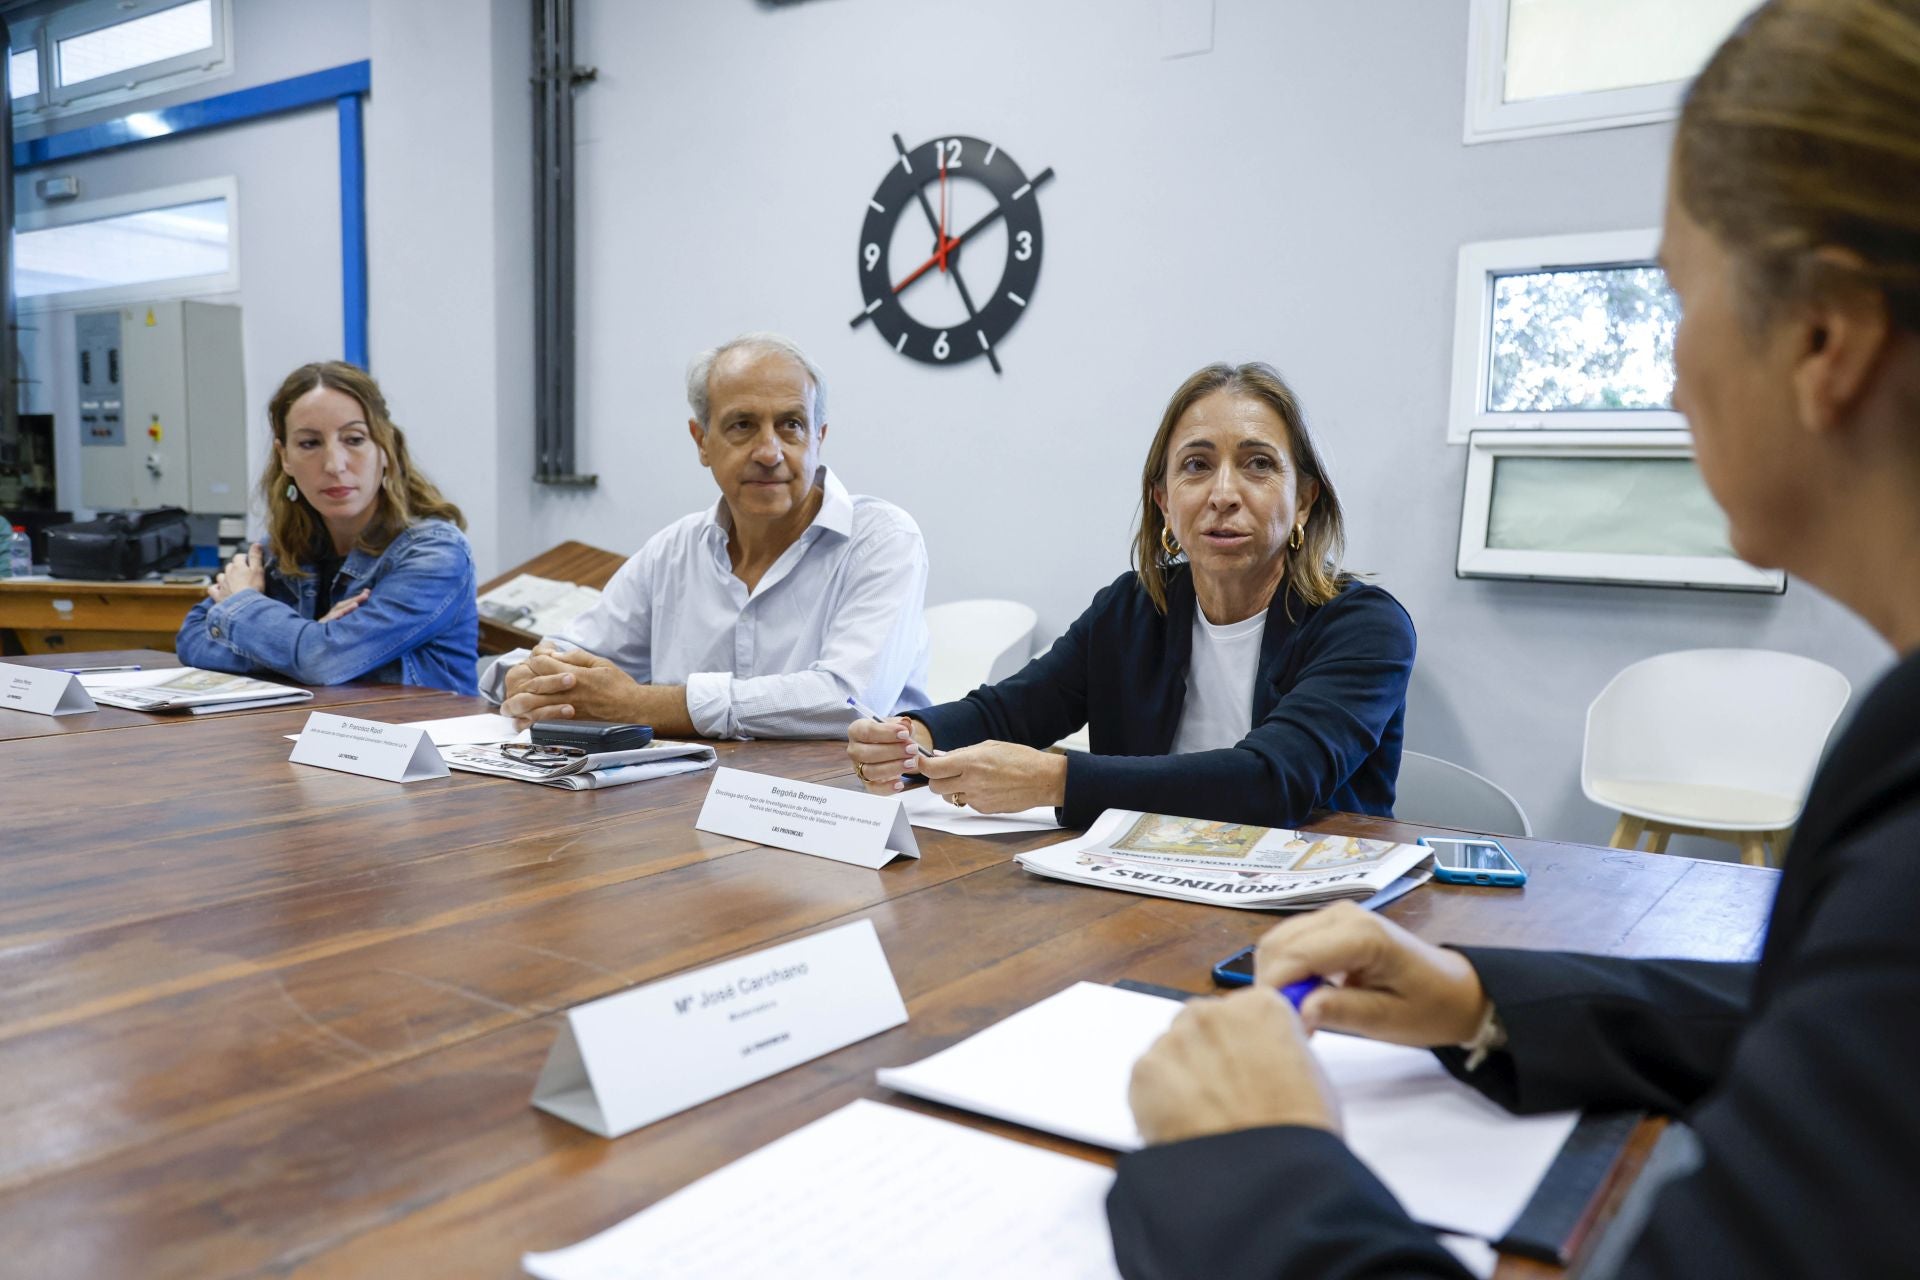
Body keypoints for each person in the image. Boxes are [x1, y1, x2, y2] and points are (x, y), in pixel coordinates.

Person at [1109, 2, 1920, 1276]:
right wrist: (1486, 1001)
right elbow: (1825, 1017)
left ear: (1823, 339)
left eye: (1680, 301)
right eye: (1192, 466)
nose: (1669, 379)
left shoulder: (1360, 619)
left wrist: (1252, 1154)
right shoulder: (1898, 732)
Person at [847, 361, 1415, 829]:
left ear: (1306, 500)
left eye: (1258, 464)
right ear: (1164, 501)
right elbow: (1012, 710)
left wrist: (1054, 780)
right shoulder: (1133, 607)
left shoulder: (1366, 627)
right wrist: (909, 738)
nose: (1223, 493)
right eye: (1197, 465)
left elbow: (1270, 784)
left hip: (1315, 914)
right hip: (1135, 893)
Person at [491, 333, 930, 738]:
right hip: (687, 802)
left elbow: (848, 701)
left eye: (791, 425)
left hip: (837, 803)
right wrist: (530, 676)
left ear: (819, 436)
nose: (769, 452)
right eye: (742, 425)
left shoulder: (881, 540)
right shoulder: (674, 551)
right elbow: (569, 650)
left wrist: (643, 705)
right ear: (701, 440)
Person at [176, 362, 478, 694]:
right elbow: (191, 639)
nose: (335, 464)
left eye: (354, 439)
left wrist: (248, 609)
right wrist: (302, 643)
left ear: (386, 448)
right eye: (309, 443)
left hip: (421, 742)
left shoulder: (435, 553)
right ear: (285, 457)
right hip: (307, 739)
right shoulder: (279, 551)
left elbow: (320, 660)